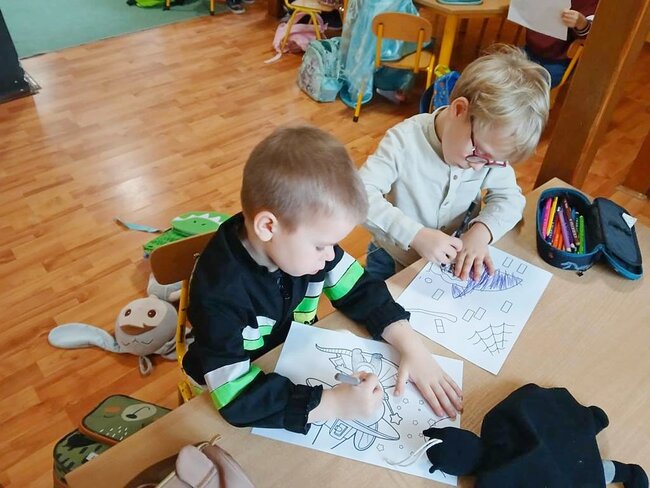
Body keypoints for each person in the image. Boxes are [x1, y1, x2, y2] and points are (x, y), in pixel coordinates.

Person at [182, 125, 463, 435]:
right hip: (220, 391)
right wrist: (332, 405)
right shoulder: (219, 295)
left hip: (289, 357)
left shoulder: (302, 247)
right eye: (321, 246)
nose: (330, 256)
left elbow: (361, 290)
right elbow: (236, 398)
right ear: (268, 227)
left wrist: (412, 348)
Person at [359, 44, 550, 282]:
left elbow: (510, 198)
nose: (479, 167)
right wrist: (415, 235)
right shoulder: (404, 141)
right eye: (479, 153)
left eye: (493, 162)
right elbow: (359, 196)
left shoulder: (487, 153)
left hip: (445, 266)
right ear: (459, 110)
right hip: (392, 258)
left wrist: (481, 232)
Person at [525, 2, 598, 87]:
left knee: (536, 85)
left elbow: (593, 35)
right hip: (531, 46)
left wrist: (581, 23)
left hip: (557, 58)